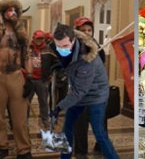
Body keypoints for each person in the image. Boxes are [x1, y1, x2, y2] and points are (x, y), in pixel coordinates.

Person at [49, 24, 118, 159]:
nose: (61, 49)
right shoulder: (63, 47)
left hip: (96, 95)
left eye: (64, 46)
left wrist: (59, 107)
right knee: (67, 128)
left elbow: (79, 92)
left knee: (99, 132)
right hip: (79, 92)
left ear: (73, 41)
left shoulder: (87, 59)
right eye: (58, 46)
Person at [0, 0, 33, 159]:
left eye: (15, 10)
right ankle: (1, 148)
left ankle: (24, 150)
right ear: (3, 12)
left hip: (16, 76)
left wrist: (30, 78)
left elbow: (27, 55)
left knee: (20, 118)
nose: (12, 13)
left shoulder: (22, 34)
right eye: (9, 9)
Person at [72, 17, 108, 157]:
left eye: (89, 30)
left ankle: (100, 145)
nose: (87, 32)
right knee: (80, 122)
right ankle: (81, 152)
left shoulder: (97, 45)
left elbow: (103, 62)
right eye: (83, 30)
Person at [28, 30, 53, 128]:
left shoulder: (48, 49)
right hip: (29, 79)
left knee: (43, 101)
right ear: (33, 38)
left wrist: (50, 73)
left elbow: (55, 62)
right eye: (37, 38)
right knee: (26, 102)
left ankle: (45, 120)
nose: (39, 40)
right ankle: (24, 120)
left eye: (41, 38)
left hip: (42, 80)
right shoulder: (28, 48)